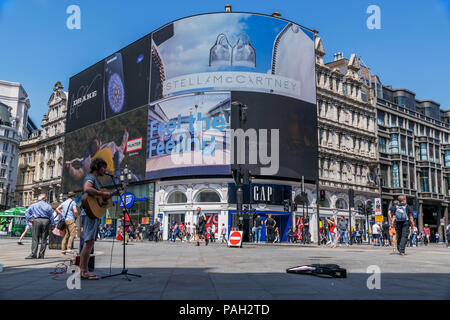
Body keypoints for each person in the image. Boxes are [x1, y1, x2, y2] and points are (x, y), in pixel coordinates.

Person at [79, 158, 117, 280]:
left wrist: (109, 195)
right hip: (89, 214)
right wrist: (101, 194)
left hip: (93, 214)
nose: (105, 170)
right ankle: (83, 271)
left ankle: (85, 270)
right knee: (88, 242)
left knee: (90, 242)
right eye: (103, 167)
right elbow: (87, 188)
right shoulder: (91, 177)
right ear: (97, 167)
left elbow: (99, 199)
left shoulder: (96, 180)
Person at [25, 194, 55, 259]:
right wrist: (53, 224)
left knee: (35, 238)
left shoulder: (34, 205)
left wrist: (30, 219)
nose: (46, 199)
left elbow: (27, 212)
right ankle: (41, 255)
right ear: (44, 199)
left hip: (37, 220)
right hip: (46, 221)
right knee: (44, 239)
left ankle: (33, 254)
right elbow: (51, 216)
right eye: (46, 198)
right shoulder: (48, 206)